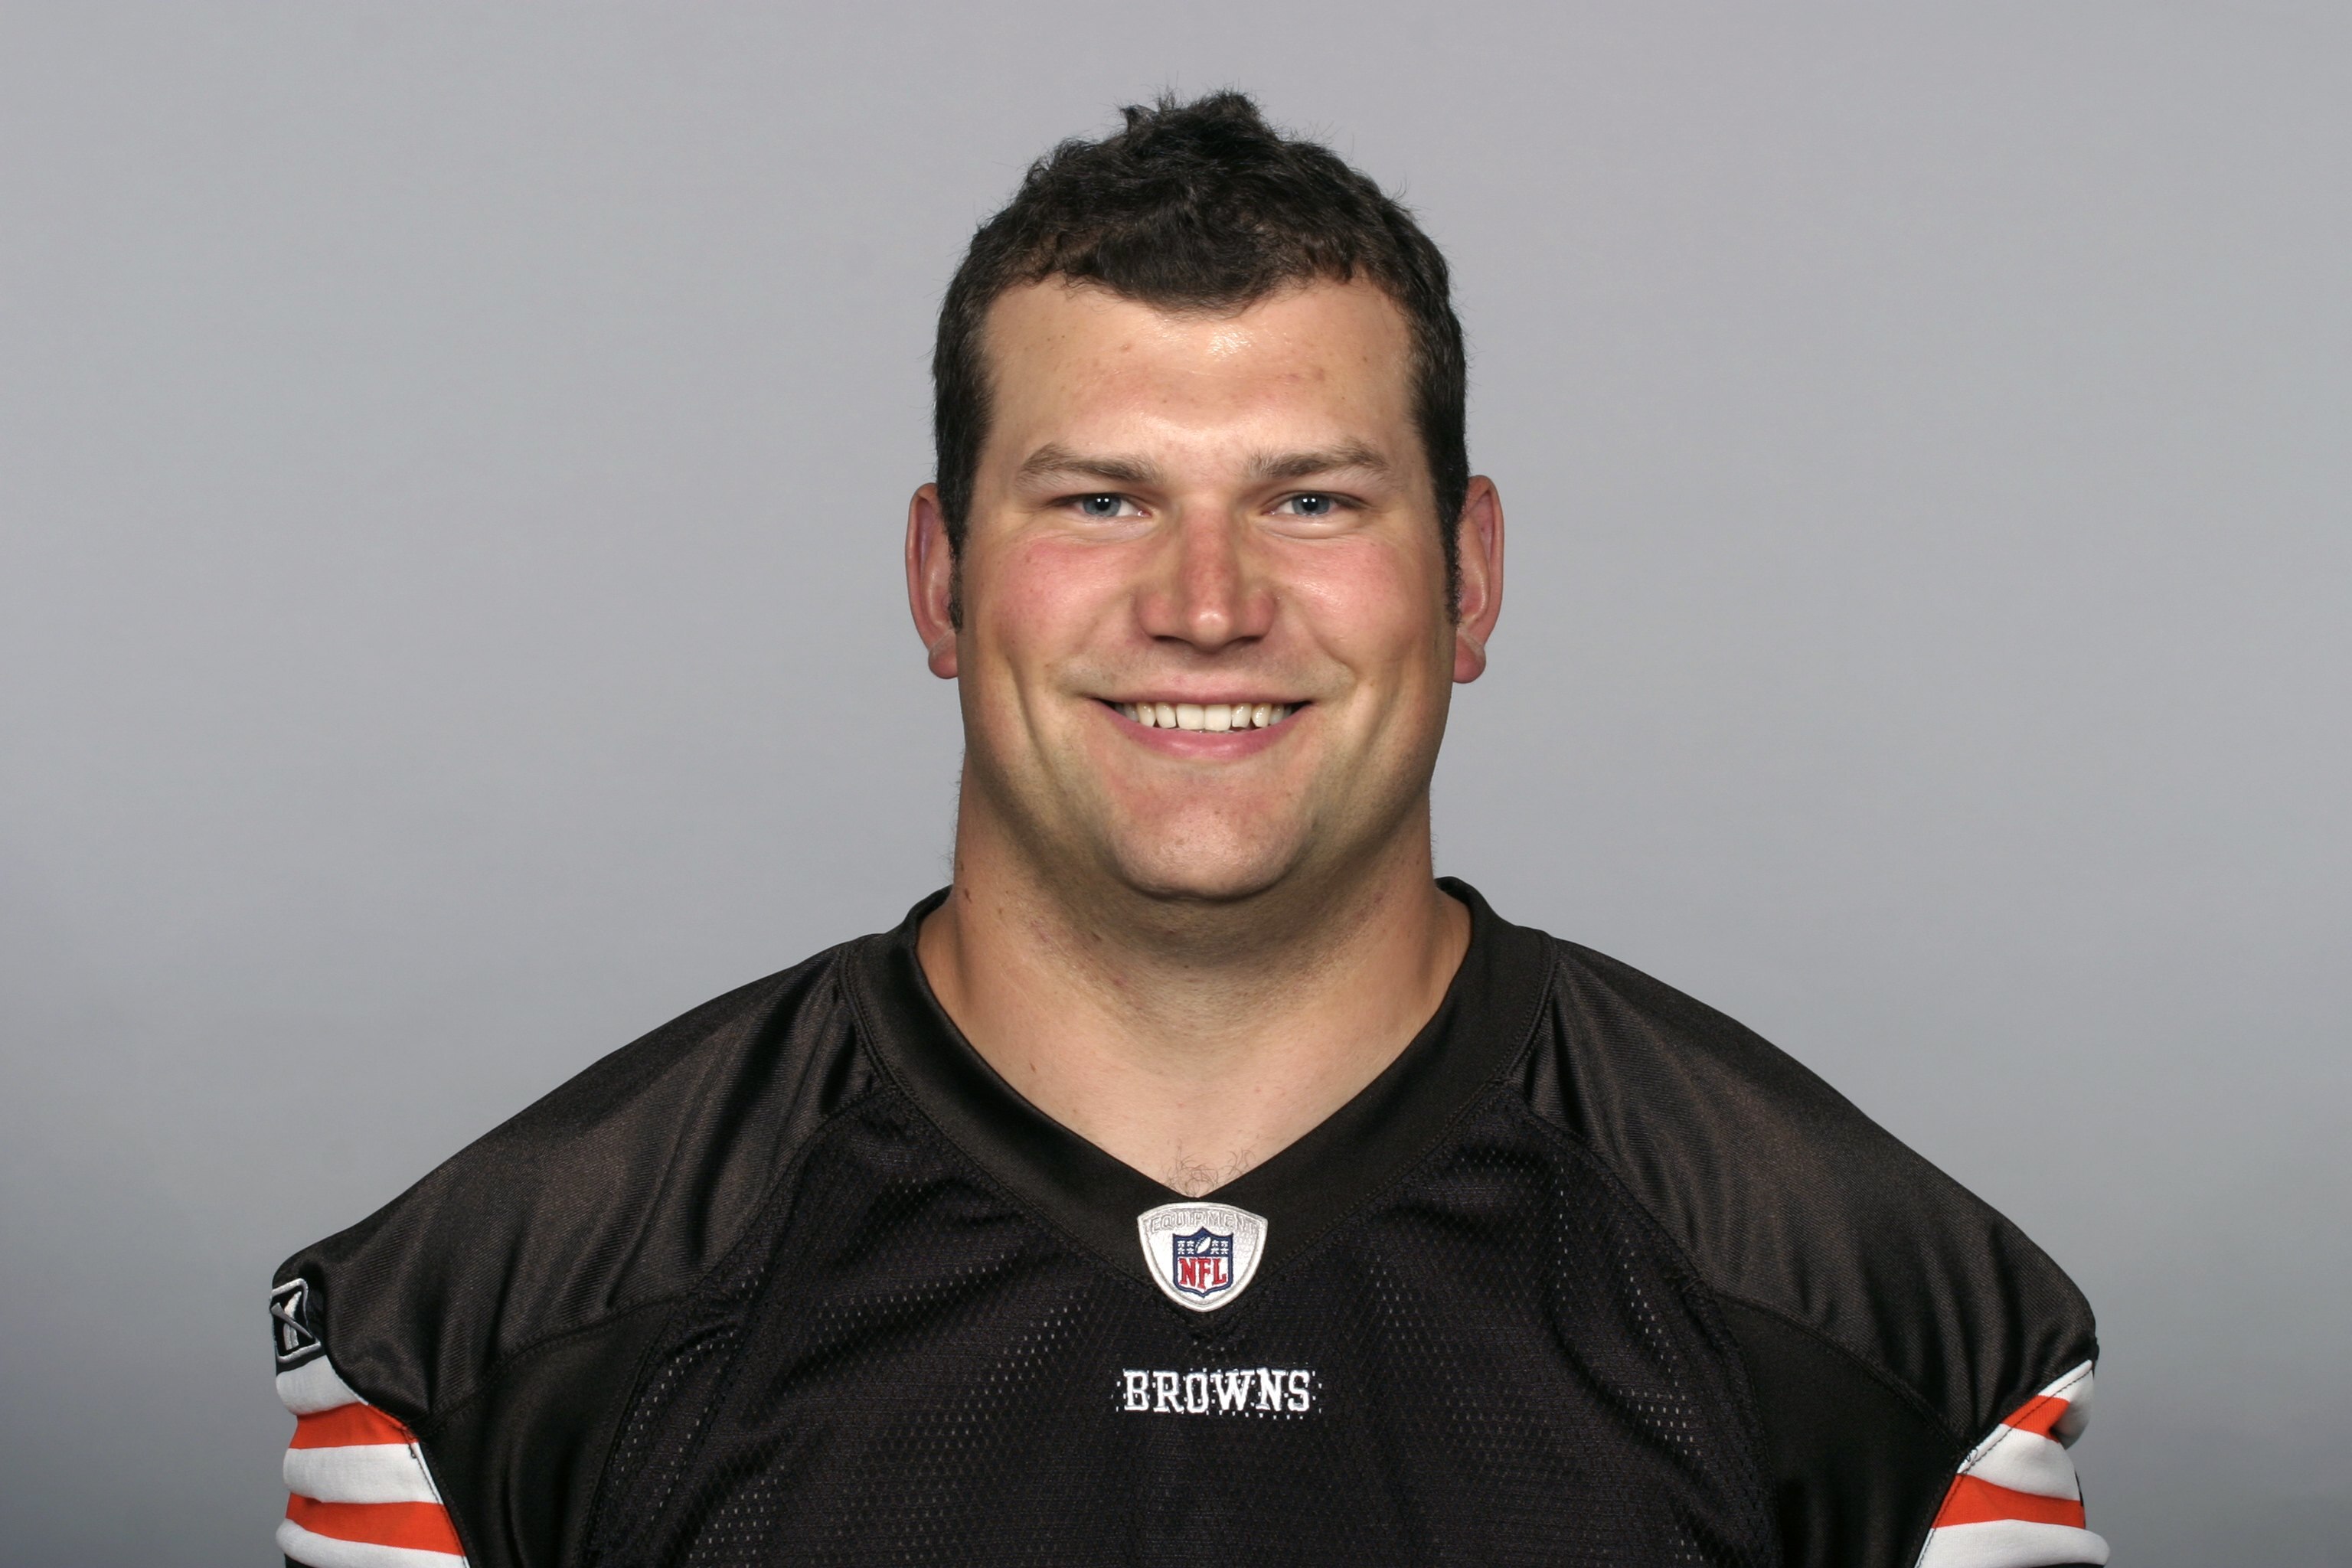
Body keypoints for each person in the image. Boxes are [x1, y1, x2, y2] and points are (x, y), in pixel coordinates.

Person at [269, 93, 2103, 1568]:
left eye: (1310, 498)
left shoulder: (1881, 1330)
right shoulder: (489, 1333)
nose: (1208, 604)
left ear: (1467, 580)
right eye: (1100, 497)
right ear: (939, 578)